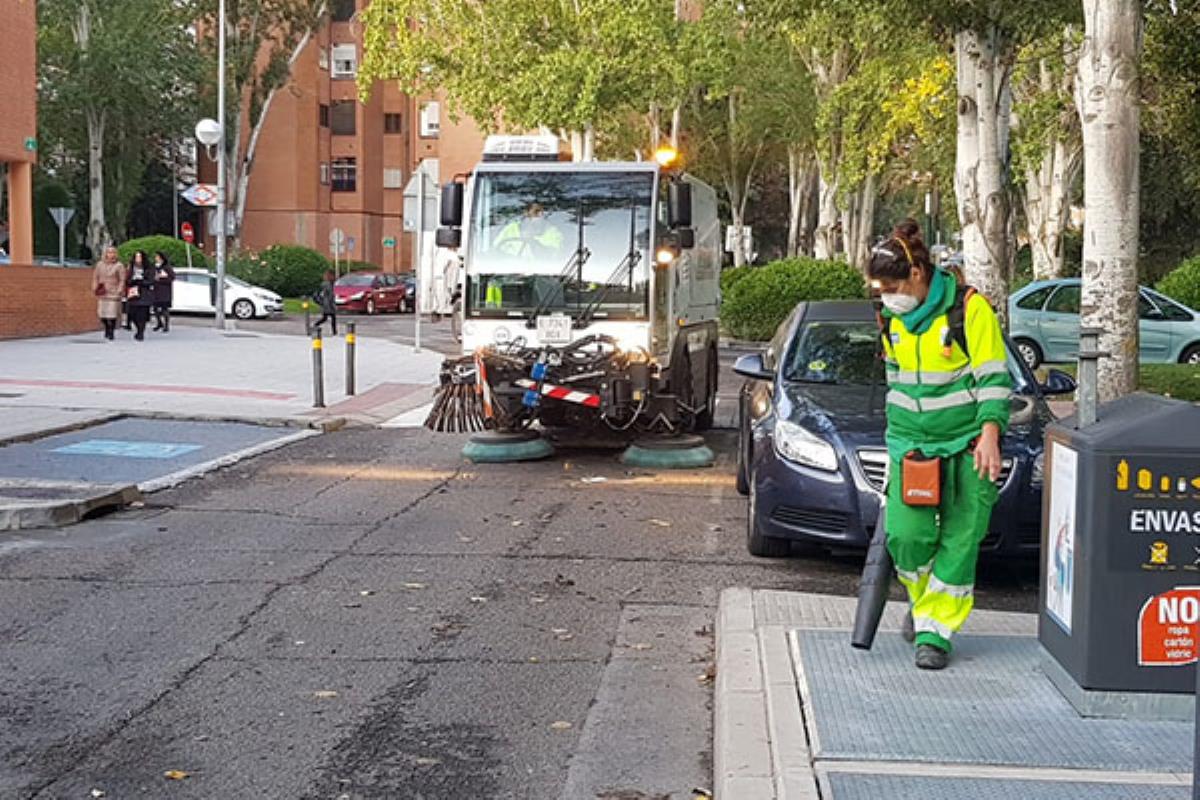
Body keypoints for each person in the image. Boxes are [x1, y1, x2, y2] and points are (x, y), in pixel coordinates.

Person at [870, 219, 1012, 671]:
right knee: (905, 537)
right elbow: (895, 380)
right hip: (911, 445)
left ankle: (934, 634)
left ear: (917, 275)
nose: (886, 295)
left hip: (968, 445)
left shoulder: (970, 311)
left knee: (961, 539)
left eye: (891, 286)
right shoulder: (890, 317)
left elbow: (993, 377)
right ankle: (926, 602)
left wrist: (990, 434)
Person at [492, 202, 565, 260]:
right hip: (509, 272)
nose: (539, 215)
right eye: (536, 212)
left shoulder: (553, 234)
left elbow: (553, 258)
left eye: (542, 213)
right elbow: (495, 251)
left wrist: (534, 242)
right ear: (525, 213)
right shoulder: (511, 229)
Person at [92, 246, 126, 340]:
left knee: (112, 314)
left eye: (113, 252)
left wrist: (120, 289)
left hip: (114, 292)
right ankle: (106, 327)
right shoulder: (100, 264)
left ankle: (111, 331)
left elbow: (122, 279)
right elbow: (95, 277)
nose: (111, 254)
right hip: (103, 292)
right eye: (109, 252)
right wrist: (94, 287)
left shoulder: (119, 265)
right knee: (102, 314)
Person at [125, 250, 155, 341]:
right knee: (132, 313)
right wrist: (132, 281)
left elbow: (151, 281)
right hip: (133, 294)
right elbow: (127, 281)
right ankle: (137, 328)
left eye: (140, 257)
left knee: (141, 315)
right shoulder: (131, 268)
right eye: (136, 257)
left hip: (144, 294)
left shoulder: (149, 268)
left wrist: (141, 281)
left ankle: (140, 332)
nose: (138, 259)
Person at [151, 251, 176, 332]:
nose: (156, 259)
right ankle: (159, 323)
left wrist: (161, 279)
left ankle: (166, 325)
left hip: (165, 291)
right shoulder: (154, 267)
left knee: (164, 309)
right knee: (155, 308)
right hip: (156, 291)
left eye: (157, 257)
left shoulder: (167, 267)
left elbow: (172, 278)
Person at [313, 270, 337, 335]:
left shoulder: (330, 283)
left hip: (329, 303)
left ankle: (334, 331)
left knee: (329, 318)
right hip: (327, 304)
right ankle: (315, 325)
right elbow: (325, 294)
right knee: (329, 318)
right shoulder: (326, 284)